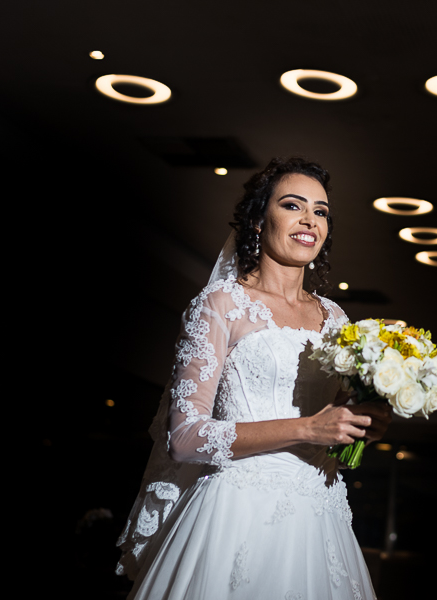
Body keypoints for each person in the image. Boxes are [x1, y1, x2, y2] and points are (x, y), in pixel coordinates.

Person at [116, 157, 392, 599]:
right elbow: (185, 439)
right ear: (258, 219)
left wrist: (361, 427)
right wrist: (307, 428)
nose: (309, 221)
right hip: (234, 513)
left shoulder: (336, 318)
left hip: (318, 519)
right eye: (292, 205)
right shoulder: (221, 304)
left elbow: (333, 431)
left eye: (320, 211)